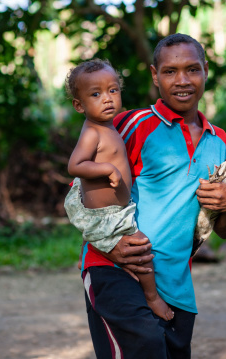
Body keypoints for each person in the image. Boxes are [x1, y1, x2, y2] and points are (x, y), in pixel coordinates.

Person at [79, 34, 226, 359]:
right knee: (144, 348)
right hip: (114, 270)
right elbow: (80, 191)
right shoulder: (132, 125)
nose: (182, 81)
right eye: (170, 72)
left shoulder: (222, 145)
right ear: (155, 76)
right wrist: (111, 244)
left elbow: (224, 229)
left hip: (175, 284)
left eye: (192, 70)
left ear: (206, 71)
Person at [63, 58, 174, 321]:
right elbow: (75, 165)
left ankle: (127, 274)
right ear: (79, 105)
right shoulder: (92, 132)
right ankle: (152, 297)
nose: (107, 98)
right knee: (141, 250)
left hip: (116, 210)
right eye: (96, 94)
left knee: (134, 251)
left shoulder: (109, 126)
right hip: (107, 215)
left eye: (113, 90)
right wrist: (107, 170)